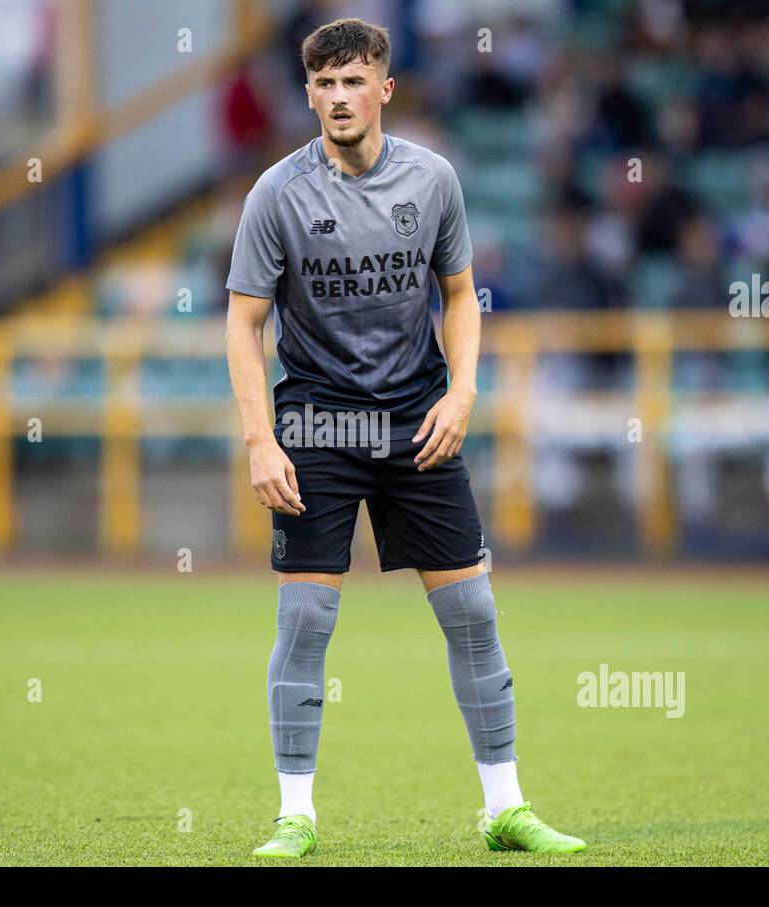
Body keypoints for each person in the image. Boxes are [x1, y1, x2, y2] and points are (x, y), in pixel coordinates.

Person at [223, 17, 586, 859]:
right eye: (324, 84)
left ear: (384, 88)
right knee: (307, 620)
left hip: (418, 418)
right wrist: (260, 440)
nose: (340, 97)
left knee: (471, 611)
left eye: (355, 81)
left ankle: (504, 808)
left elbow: (461, 296)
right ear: (308, 94)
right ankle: (296, 816)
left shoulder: (434, 182)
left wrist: (463, 394)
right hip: (315, 421)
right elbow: (242, 326)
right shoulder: (276, 193)